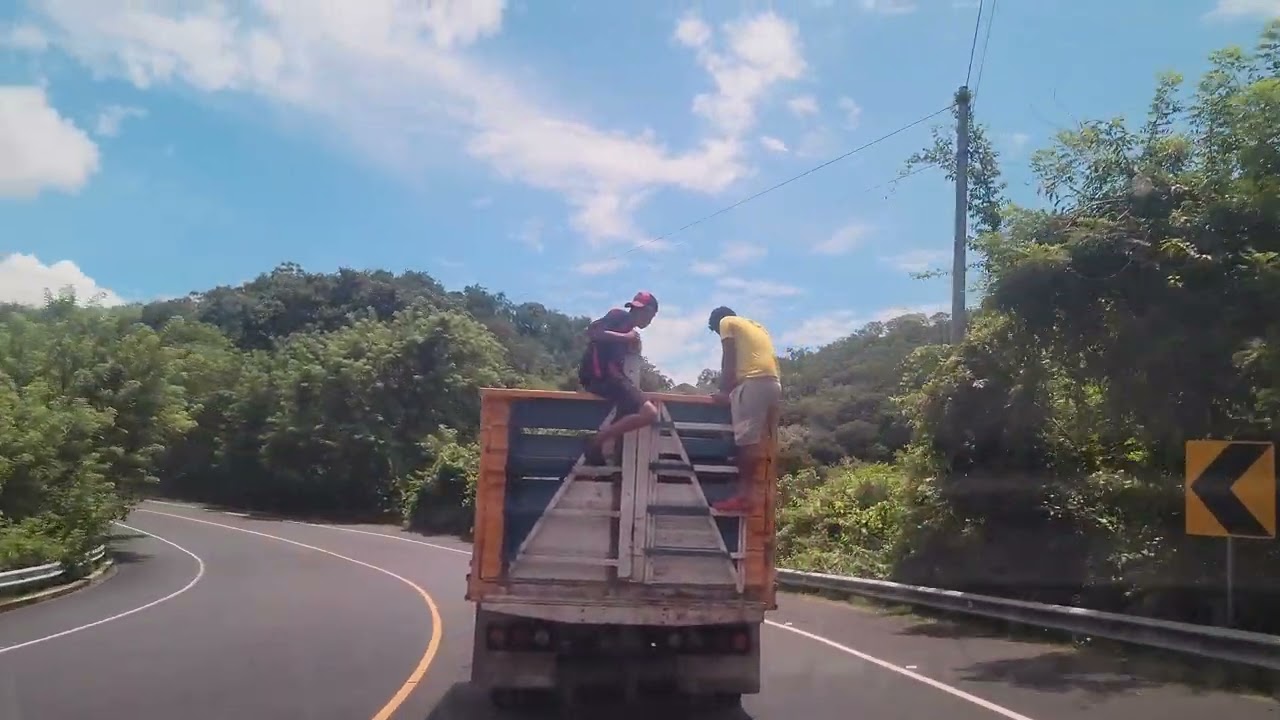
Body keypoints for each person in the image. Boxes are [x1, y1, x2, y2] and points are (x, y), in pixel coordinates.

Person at [706, 306, 782, 513]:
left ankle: (744, 497)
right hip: (773, 384)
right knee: (757, 440)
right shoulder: (757, 326)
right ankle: (756, 496)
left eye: (714, 330)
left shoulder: (726, 322)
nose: (717, 333)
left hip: (753, 383)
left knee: (746, 442)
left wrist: (724, 391)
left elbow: (728, 357)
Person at [578, 291, 661, 465]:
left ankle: (605, 452)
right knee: (650, 413)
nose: (645, 318)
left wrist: (631, 345)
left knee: (628, 410)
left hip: (602, 378)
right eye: (645, 313)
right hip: (604, 377)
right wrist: (627, 337)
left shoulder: (626, 325)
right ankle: (597, 441)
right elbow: (593, 332)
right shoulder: (620, 316)